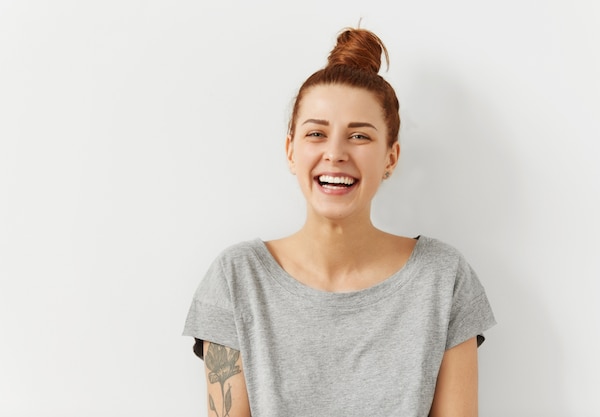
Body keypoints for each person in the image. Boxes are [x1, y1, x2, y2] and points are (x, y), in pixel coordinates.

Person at [183, 26, 496, 417]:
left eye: (360, 137)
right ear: (291, 151)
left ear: (391, 158)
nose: (335, 153)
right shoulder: (237, 278)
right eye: (316, 133)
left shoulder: (443, 278)